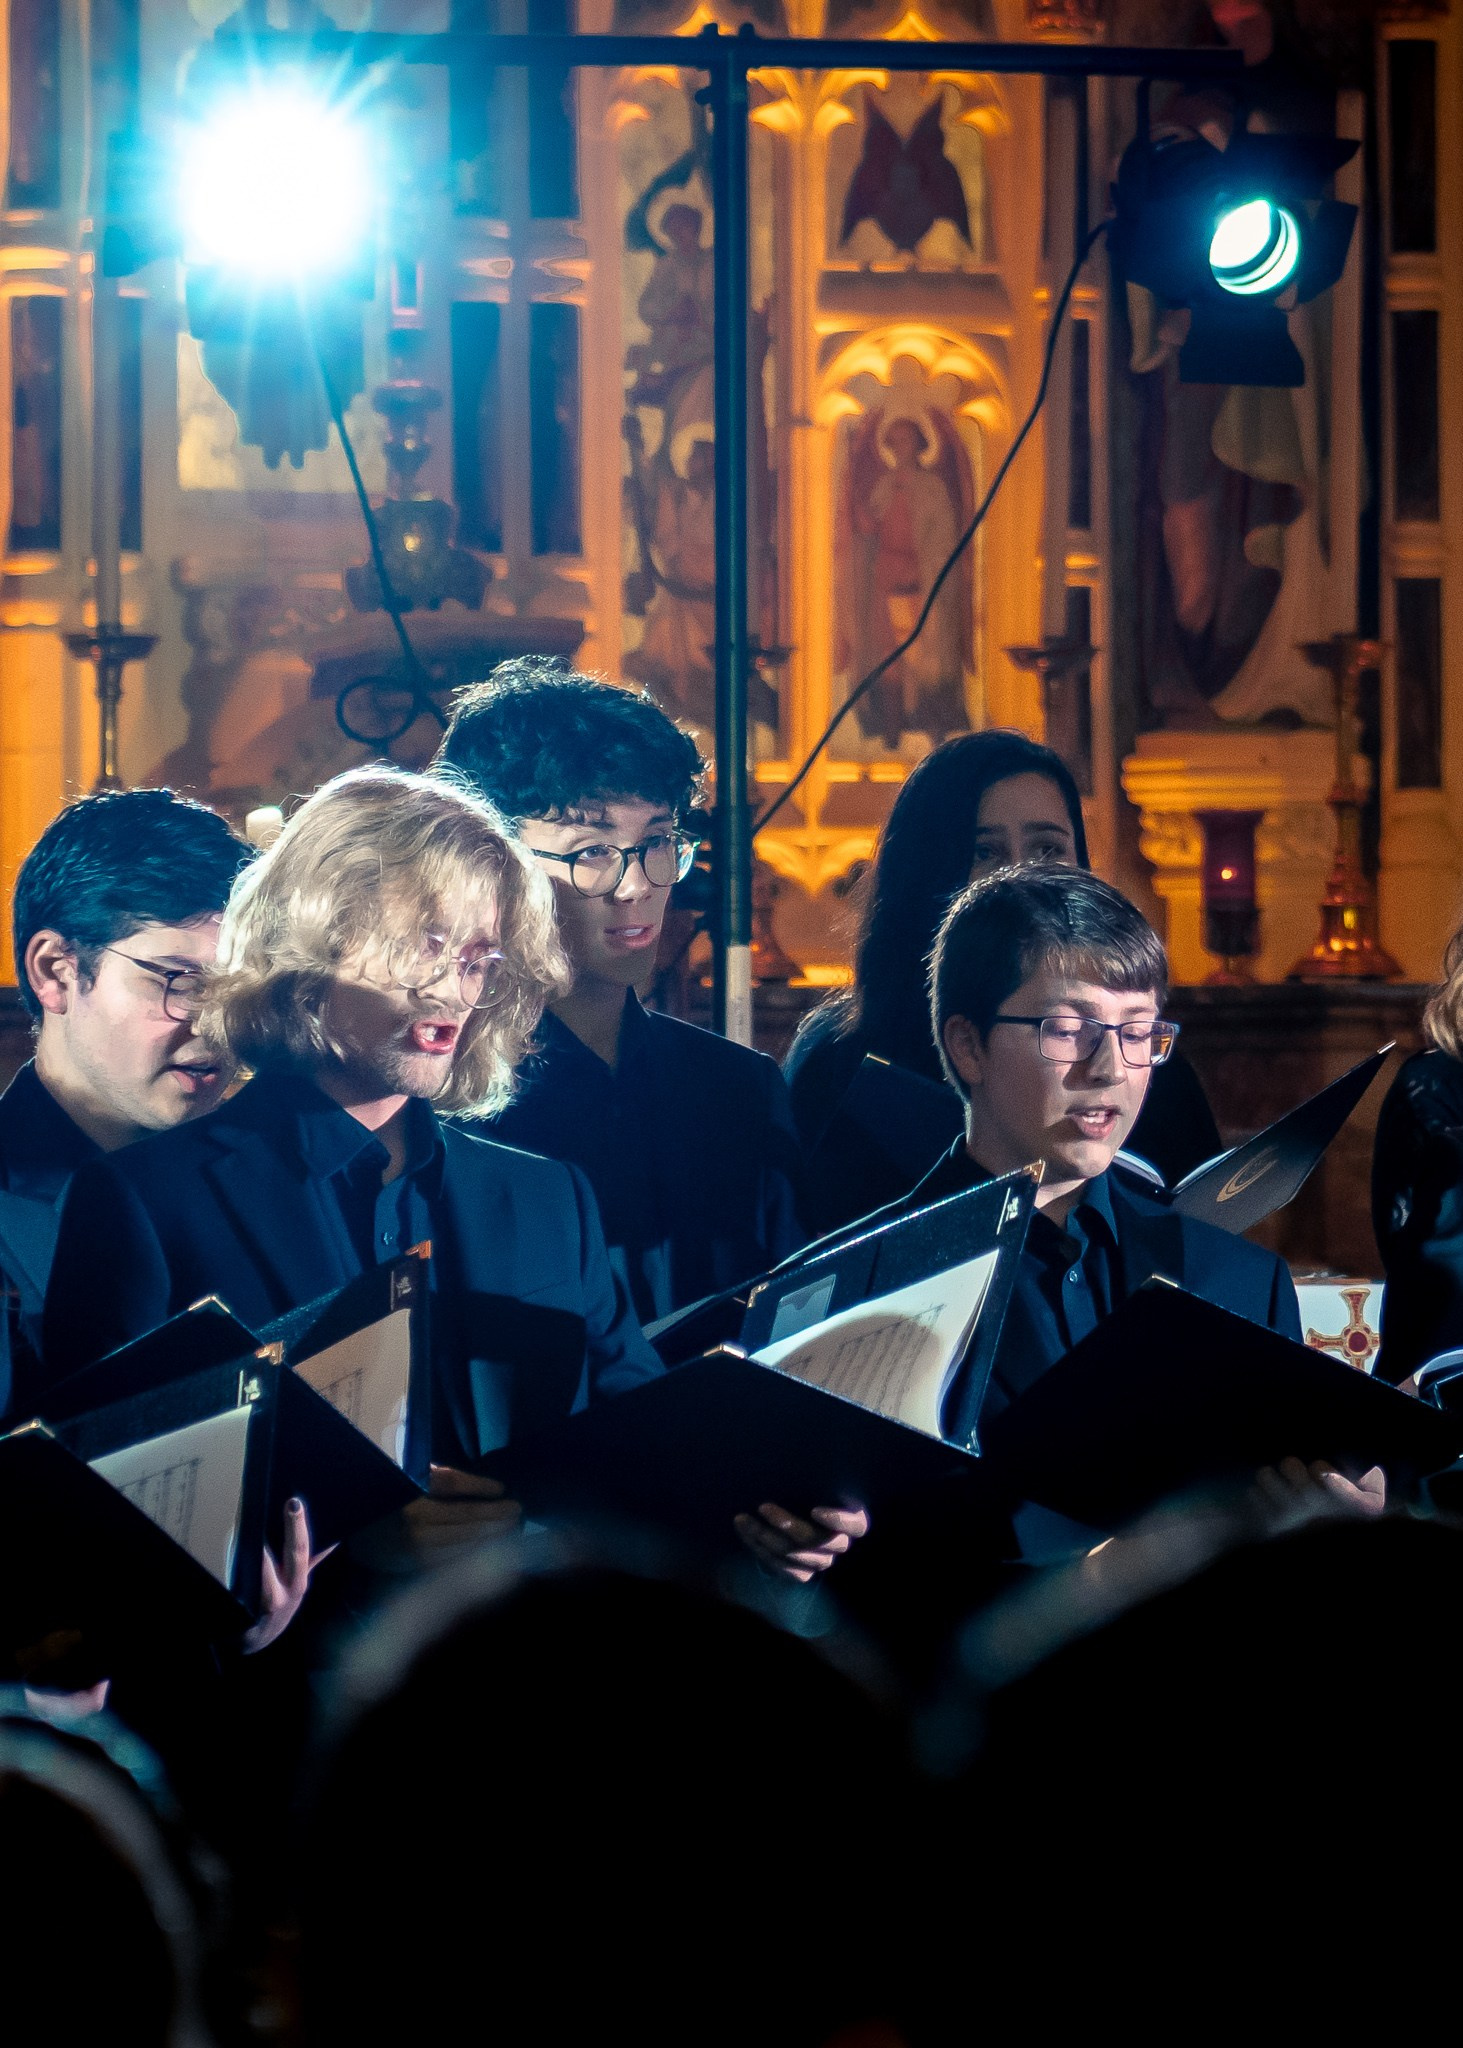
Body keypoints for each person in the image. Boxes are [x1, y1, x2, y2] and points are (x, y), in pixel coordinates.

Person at [42, 767, 856, 1583]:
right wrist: (345, 1554)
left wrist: (762, 1518)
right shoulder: (148, 1199)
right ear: (312, 945)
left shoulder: (545, 1199)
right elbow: (96, 1530)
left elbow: (642, 1455)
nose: (452, 992)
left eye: (476, 959)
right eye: (423, 947)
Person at [436, 660, 807, 1326]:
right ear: (491, 861)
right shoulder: (448, 1099)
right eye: (592, 850)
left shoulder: (739, 1090)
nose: (637, 886)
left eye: (657, 842)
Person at [783, 729, 1221, 1231]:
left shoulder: (1140, 1062)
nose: (1018, 875)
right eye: (986, 852)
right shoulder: (837, 1064)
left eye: (1046, 850)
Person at [0, 788, 252, 1416]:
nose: (215, 1024)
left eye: (238, 987)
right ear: (55, 970)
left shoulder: (262, 1179)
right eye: (179, 981)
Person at [1372, 924, 1463, 1383]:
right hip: (1440, 1357)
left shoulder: (1426, 1082)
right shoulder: (1427, 1084)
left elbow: (1393, 1223)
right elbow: (1396, 1227)